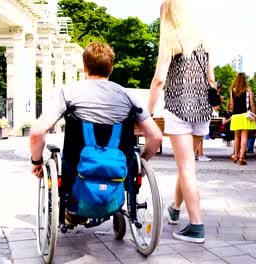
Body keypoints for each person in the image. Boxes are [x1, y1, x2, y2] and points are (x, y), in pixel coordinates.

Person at [29, 42, 163, 223]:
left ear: (84, 67)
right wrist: (138, 164)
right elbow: (155, 136)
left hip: (76, 167)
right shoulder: (127, 95)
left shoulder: (69, 92)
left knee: (64, 161)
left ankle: (74, 209)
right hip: (119, 167)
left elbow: (37, 131)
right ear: (111, 68)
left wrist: (36, 161)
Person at [147, 0, 213, 243]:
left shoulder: (170, 39)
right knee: (187, 166)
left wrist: (148, 112)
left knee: (186, 168)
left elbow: (159, 79)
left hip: (179, 109)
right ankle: (175, 209)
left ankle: (196, 226)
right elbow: (211, 79)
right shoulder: (203, 40)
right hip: (201, 111)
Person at [228, 72, 256, 165]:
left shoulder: (233, 90)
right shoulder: (248, 90)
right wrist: (254, 113)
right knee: (244, 137)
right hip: (245, 116)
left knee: (236, 137)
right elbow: (252, 104)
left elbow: (231, 105)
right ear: (245, 80)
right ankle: (242, 158)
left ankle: (236, 155)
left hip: (235, 116)